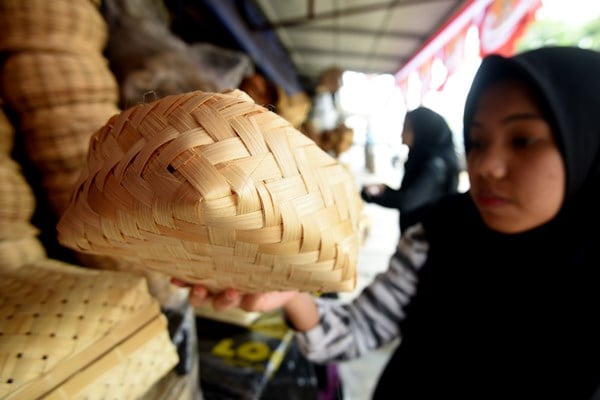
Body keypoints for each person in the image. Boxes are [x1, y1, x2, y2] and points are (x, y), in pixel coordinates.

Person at [174, 46, 600, 398]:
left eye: (523, 140)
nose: (486, 165)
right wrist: (290, 296)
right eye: (477, 140)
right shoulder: (437, 235)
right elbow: (360, 327)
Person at [360, 106, 460, 234]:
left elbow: (407, 200)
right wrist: (385, 189)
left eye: (407, 129)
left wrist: (372, 196)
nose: (402, 135)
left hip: (424, 244)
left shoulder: (435, 167)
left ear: (423, 132)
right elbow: (413, 193)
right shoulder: (422, 159)